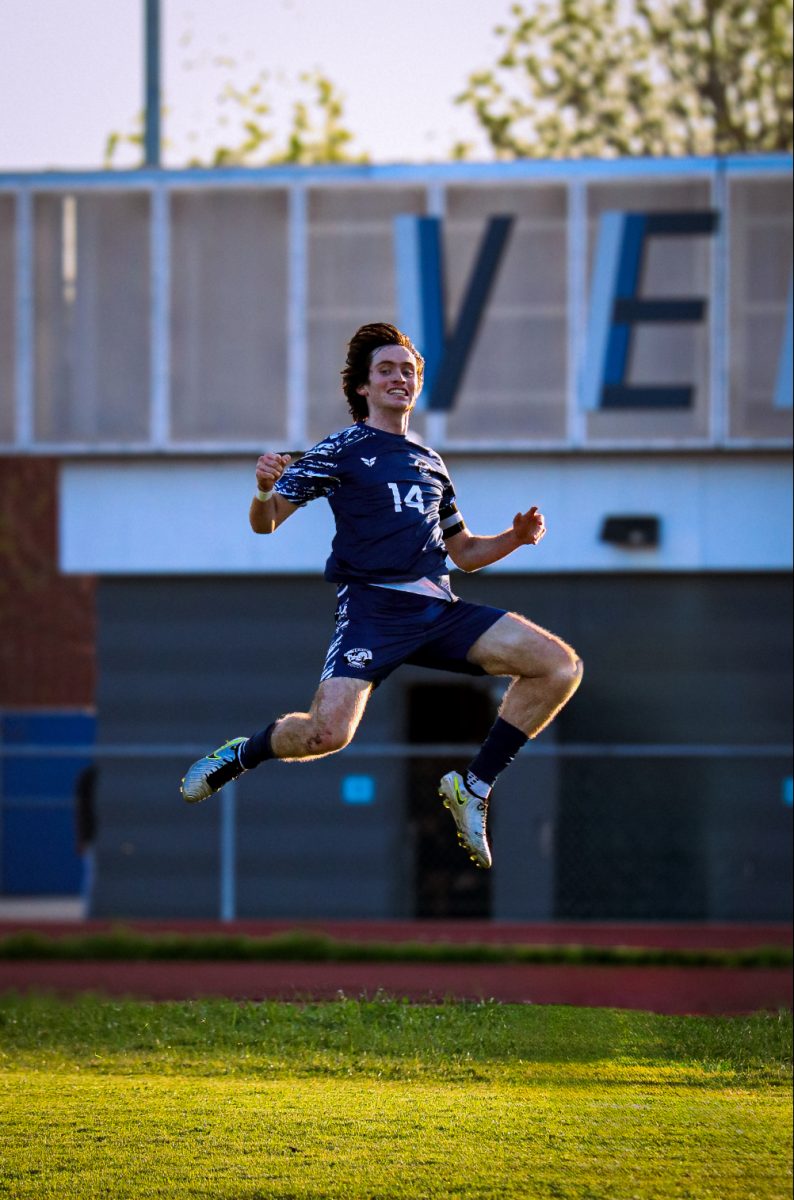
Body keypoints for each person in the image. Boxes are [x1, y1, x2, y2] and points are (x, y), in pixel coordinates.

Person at [181, 323, 582, 868]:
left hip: (439, 610)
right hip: (374, 610)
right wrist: (261, 489)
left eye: (408, 371)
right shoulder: (341, 448)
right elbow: (266, 523)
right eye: (387, 370)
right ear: (363, 387)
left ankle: (475, 787)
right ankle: (241, 754)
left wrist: (516, 538)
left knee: (558, 667)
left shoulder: (430, 462)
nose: (400, 378)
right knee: (328, 733)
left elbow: (462, 552)